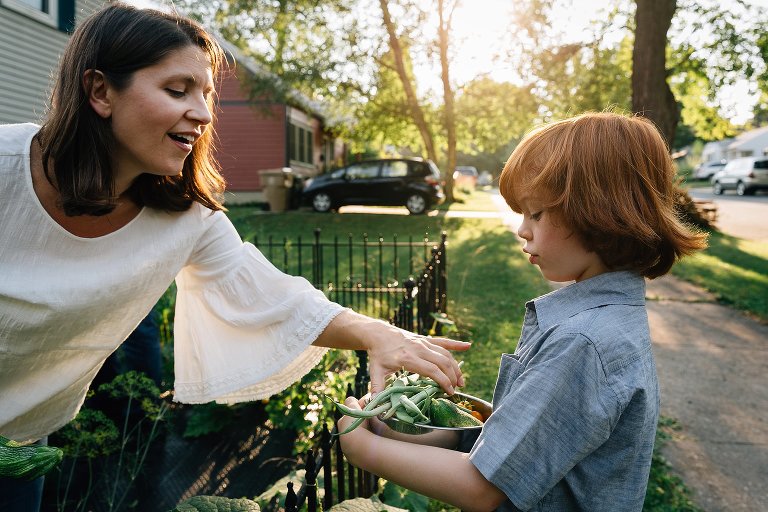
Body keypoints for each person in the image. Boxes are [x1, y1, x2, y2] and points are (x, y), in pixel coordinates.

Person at [0, 4, 468, 510]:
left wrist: (379, 334)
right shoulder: (5, 168)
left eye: (205, 95)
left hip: (19, 448)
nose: (202, 113)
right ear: (100, 91)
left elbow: (271, 297)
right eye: (177, 90)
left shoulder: (186, 219)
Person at [338, 111, 708, 511]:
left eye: (537, 213)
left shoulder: (582, 344)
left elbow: (482, 488)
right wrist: (412, 429)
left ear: (599, 211)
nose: (522, 230)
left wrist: (362, 449)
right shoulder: (605, 322)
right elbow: (527, 445)